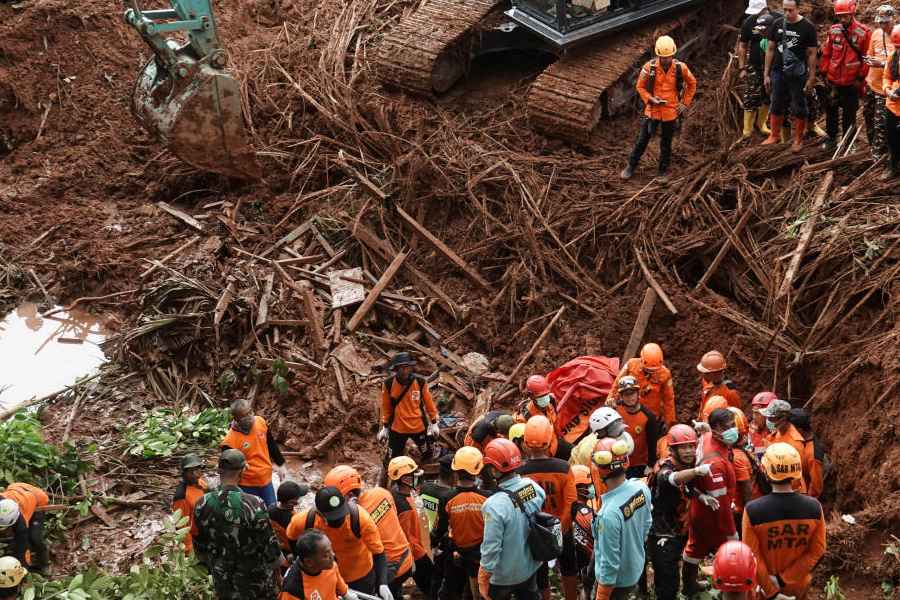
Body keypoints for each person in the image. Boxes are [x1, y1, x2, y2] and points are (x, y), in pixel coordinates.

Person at [193, 449, 282, 600]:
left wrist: (210, 567)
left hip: (223, 578)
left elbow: (200, 544)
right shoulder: (254, 503)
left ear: (219, 470)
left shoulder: (202, 503)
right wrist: (277, 570)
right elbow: (269, 545)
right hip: (254, 580)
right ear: (242, 471)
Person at [742, 443, 826, 600]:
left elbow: (752, 556)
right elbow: (818, 551)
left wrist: (771, 588)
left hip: (765, 588)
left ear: (766, 472)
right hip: (798, 585)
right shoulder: (814, 507)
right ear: (796, 472)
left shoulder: (753, 510)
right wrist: (784, 578)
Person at [286, 486, 390, 599]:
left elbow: (378, 552)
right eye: (333, 518)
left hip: (360, 576)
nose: (339, 520)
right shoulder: (304, 521)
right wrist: (305, 562)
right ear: (319, 514)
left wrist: (382, 583)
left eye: (341, 514)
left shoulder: (360, 519)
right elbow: (291, 537)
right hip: (324, 574)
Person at [325, 466, 411, 600]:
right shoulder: (381, 492)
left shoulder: (356, 516)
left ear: (349, 496)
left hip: (388, 569)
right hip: (406, 558)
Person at [620, 35, 697, 183]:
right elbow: (640, 87)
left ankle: (662, 171)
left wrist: (685, 103)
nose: (666, 60)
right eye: (663, 57)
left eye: (668, 57)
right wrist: (651, 99)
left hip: (670, 112)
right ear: (658, 55)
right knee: (642, 140)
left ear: (673, 54)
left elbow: (692, 83)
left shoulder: (681, 68)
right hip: (652, 111)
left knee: (666, 143)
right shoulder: (649, 68)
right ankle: (631, 166)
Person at [517, 416, 578, 600]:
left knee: (540, 573)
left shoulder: (520, 472)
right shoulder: (563, 468)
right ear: (550, 440)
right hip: (561, 526)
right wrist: (561, 528)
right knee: (569, 566)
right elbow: (571, 503)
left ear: (525, 444)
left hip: (534, 531)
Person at [647, 425, 710, 600]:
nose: (689, 451)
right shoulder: (664, 467)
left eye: (691, 446)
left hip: (680, 525)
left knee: (689, 557)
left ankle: (690, 586)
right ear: (673, 449)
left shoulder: (685, 465)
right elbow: (671, 479)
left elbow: (687, 488)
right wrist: (696, 471)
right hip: (662, 532)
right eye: (684, 447)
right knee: (668, 582)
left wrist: (701, 496)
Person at [478, 439, 546, 600]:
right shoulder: (532, 486)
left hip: (503, 577)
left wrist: (483, 577)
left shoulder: (493, 505)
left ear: (494, 471)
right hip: (530, 566)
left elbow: (491, 547)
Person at [682, 409, 739, 596]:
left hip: (700, 508)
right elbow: (721, 504)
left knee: (695, 547)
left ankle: (689, 586)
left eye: (733, 425)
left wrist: (704, 428)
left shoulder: (709, 437)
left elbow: (706, 432)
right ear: (716, 430)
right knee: (728, 553)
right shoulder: (715, 463)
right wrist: (731, 533)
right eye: (727, 427)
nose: (733, 430)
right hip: (712, 515)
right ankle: (727, 589)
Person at [590, 437, 652, 600]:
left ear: (599, 469)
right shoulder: (641, 487)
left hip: (615, 584)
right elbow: (646, 524)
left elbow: (609, 563)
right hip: (635, 568)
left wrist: (602, 595)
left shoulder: (608, 514)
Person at [432, 446, 491, 600]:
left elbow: (439, 529)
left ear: (455, 471)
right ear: (478, 470)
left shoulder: (447, 498)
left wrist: (432, 544)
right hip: (481, 555)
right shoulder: (488, 497)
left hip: (457, 553)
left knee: (450, 591)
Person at [763, 0, 819, 151]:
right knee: (776, 102)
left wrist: (811, 77)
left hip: (797, 73)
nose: (787, 13)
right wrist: (766, 73)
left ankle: (798, 139)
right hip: (778, 71)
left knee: (799, 105)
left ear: (798, 9)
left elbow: (812, 53)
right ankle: (774, 135)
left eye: (790, 10)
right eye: (785, 10)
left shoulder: (807, 27)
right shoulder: (777, 24)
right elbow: (770, 48)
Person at [820, 0, 871, 153]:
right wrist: (824, 73)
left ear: (852, 13)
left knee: (849, 115)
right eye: (840, 16)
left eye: (846, 16)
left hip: (851, 83)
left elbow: (867, 58)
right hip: (833, 81)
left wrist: (860, 78)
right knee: (831, 112)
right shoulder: (834, 30)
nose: (843, 19)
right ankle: (831, 139)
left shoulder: (864, 32)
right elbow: (827, 53)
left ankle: (848, 142)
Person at [221, 398, 287, 506]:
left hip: (266, 480)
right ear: (236, 418)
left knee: (271, 510)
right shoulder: (229, 442)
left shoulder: (260, 422)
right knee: (252, 513)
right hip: (246, 485)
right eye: (245, 415)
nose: (250, 416)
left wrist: (280, 464)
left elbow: (271, 444)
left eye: (250, 411)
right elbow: (228, 472)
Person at [388, 456, 435, 599]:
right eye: (413, 475)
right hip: (413, 551)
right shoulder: (405, 508)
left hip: (406, 550)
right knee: (430, 579)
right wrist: (417, 557)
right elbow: (407, 538)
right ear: (406, 480)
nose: (417, 478)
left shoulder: (394, 492)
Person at [379, 353, 440, 460]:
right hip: (397, 428)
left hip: (418, 426)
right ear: (396, 369)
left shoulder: (420, 382)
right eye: (401, 367)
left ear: (411, 367)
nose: (404, 370)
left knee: (427, 454)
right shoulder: (388, 384)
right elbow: (386, 407)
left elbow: (429, 403)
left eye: (407, 367)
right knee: (392, 459)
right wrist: (385, 427)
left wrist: (434, 422)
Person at [608, 343, 676, 428]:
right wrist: (610, 399)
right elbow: (618, 383)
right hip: (629, 411)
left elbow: (668, 399)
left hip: (651, 416)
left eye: (654, 371)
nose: (651, 372)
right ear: (641, 360)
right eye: (648, 370)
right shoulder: (631, 365)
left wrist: (670, 422)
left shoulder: (665, 374)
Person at [280, 530, 357, 600]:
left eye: (331, 550)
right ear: (309, 562)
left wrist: (345, 594)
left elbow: (337, 578)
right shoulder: (292, 591)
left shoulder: (329, 564)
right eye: (326, 555)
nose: (333, 555)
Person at [760, 399, 816, 495]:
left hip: (791, 491)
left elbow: (794, 475)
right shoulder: (777, 433)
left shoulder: (795, 443)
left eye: (771, 418)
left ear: (784, 419)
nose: (768, 421)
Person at [738, 0, 775, 140]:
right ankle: (747, 130)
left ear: (764, 8)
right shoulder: (749, 22)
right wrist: (742, 67)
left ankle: (762, 124)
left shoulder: (777, 19)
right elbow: (742, 45)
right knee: (751, 96)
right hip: (754, 66)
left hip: (772, 67)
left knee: (767, 95)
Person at [613, 376, 661, 478]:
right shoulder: (615, 410)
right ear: (621, 396)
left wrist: (651, 465)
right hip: (618, 461)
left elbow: (652, 444)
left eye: (632, 393)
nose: (630, 397)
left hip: (639, 466)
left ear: (638, 393)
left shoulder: (649, 417)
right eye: (626, 394)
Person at [864, 5, 895, 160]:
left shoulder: (898, 36)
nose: (883, 26)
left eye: (886, 22)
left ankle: (878, 156)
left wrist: (881, 64)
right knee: (868, 118)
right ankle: (872, 149)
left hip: (886, 89)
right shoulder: (876, 34)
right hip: (872, 84)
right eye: (880, 22)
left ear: (893, 20)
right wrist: (870, 60)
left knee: (881, 125)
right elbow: (870, 54)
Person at [519, 375, 572, 460]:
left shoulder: (551, 400)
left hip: (555, 443)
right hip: (541, 454)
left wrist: (560, 437)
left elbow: (555, 422)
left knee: (574, 453)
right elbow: (526, 447)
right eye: (540, 397)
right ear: (532, 397)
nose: (545, 399)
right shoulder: (525, 417)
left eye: (545, 395)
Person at [0, 483, 49, 572]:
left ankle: (44, 563)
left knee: (34, 537)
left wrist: (24, 568)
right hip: (16, 488)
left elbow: (22, 549)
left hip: (38, 499)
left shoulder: (21, 526)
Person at [569, 464, 597, 595]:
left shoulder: (567, 509)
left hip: (574, 566)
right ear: (580, 489)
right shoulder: (588, 514)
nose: (591, 487)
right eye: (588, 485)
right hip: (592, 567)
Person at [172, 453, 208, 553]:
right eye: (190, 471)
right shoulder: (181, 496)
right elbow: (181, 526)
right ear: (184, 473)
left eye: (197, 469)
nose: (194, 474)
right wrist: (189, 549)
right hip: (196, 537)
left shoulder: (201, 483)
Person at [788, 408, 825, 498]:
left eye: (790, 429)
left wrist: (805, 503)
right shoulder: (802, 441)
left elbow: (816, 488)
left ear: (799, 430)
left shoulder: (813, 455)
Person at [269, 481, 309, 561]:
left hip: (279, 545)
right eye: (298, 498)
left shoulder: (271, 508)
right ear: (291, 502)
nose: (300, 499)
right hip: (290, 550)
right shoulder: (293, 519)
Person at [881, 24, 900, 179]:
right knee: (892, 138)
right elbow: (887, 76)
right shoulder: (892, 56)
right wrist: (887, 90)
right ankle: (893, 166)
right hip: (893, 105)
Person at [697, 350, 741, 417]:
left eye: (705, 373)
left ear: (716, 373)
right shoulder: (707, 384)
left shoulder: (730, 392)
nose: (702, 375)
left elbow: (735, 416)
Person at [749, 391, 777, 459]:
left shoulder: (781, 434)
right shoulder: (752, 429)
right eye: (754, 413)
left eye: (758, 413)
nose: (754, 417)